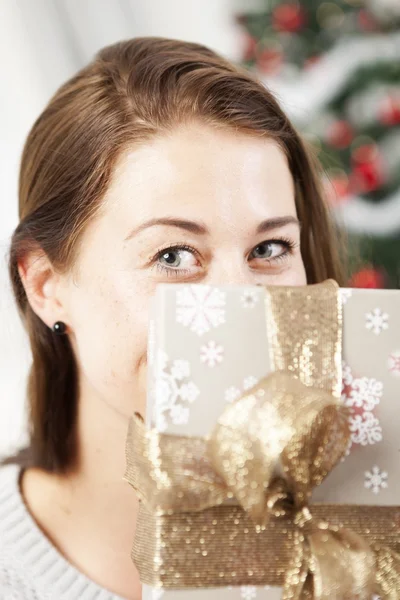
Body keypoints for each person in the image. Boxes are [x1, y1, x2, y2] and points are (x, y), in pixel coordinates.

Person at [0, 37, 344, 599]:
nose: (243, 309)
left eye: (271, 248)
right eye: (173, 256)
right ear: (46, 286)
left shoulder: (364, 538)